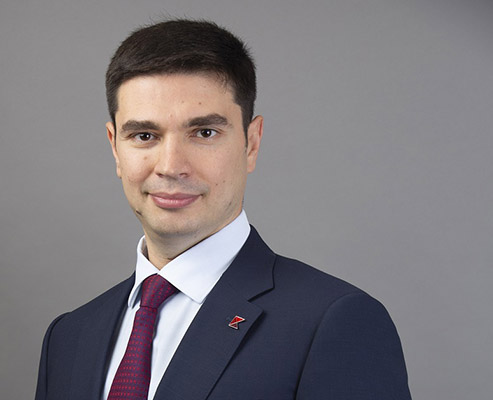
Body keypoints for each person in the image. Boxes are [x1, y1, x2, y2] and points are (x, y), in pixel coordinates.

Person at [34, 19, 411, 400]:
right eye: (144, 136)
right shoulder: (69, 338)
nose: (171, 166)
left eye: (204, 133)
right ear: (115, 147)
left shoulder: (333, 322)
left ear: (251, 143)